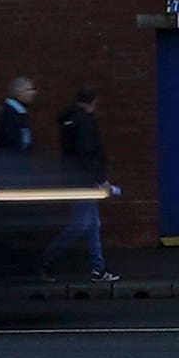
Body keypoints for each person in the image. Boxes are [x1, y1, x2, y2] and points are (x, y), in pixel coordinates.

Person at [51, 80, 118, 285]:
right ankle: (45, 260)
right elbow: (89, 153)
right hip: (85, 180)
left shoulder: (68, 120)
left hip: (73, 177)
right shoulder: (85, 122)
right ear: (93, 102)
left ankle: (98, 268)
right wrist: (101, 180)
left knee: (92, 224)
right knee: (80, 225)